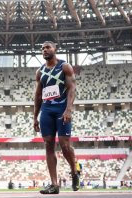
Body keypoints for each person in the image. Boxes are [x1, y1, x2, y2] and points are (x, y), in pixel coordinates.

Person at [33, 41, 79, 194]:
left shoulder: (64, 67)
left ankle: (74, 171)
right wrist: (35, 117)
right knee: (48, 145)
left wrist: (68, 110)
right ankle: (54, 184)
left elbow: (72, 88)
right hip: (46, 110)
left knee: (65, 146)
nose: (44, 50)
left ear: (55, 49)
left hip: (61, 109)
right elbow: (38, 95)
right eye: (42, 48)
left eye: (47, 47)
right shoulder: (40, 72)